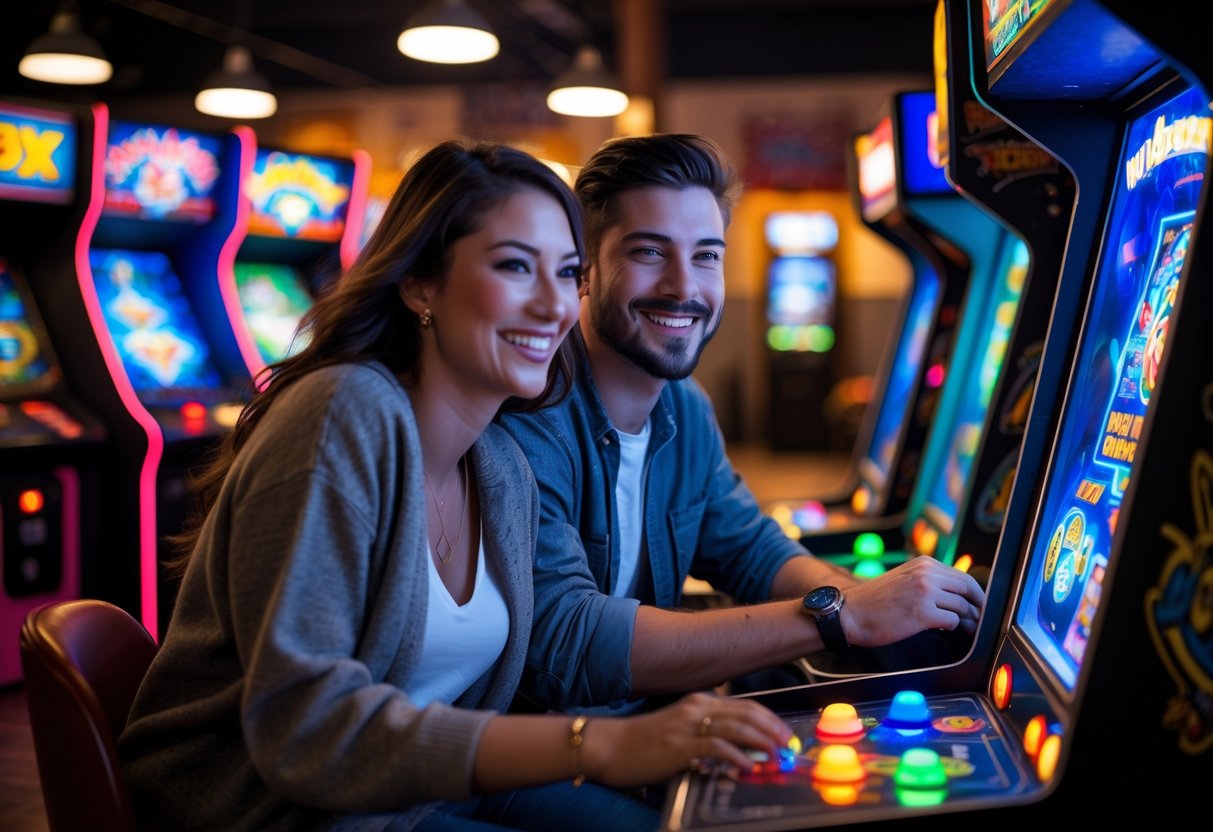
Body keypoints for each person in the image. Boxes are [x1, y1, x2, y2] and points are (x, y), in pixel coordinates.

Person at [118, 139, 793, 832]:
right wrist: (605, 743)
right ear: (420, 285)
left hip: (416, 793)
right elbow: (308, 730)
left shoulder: (496, 469)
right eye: (512, 267)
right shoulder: (345, 413)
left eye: (563, 274)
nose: (551, 305)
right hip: (271, 810)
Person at [496, 133, 987, 717]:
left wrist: (873, 599)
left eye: (706, 255)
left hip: (648, 721)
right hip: (544, 753)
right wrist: (844, 615)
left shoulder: (683, 407)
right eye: (648, 252)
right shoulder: (530, 417)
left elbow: (751, 550)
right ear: (585, 269)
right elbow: (568, 646)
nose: (684, 287)